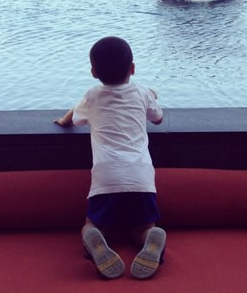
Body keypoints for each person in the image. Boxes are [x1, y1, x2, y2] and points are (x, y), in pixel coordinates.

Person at [54, 36, 165, 280]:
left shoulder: (91, 96)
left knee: (94, 224)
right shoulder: (143, 92)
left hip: (106, 178)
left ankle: (93, 236)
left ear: (94, 72)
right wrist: (151, 95)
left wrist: (63, 120)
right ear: (132, 68)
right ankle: (149, 237)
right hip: (141, 177)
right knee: (142, 227)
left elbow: (75, 119)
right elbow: (158, 119)